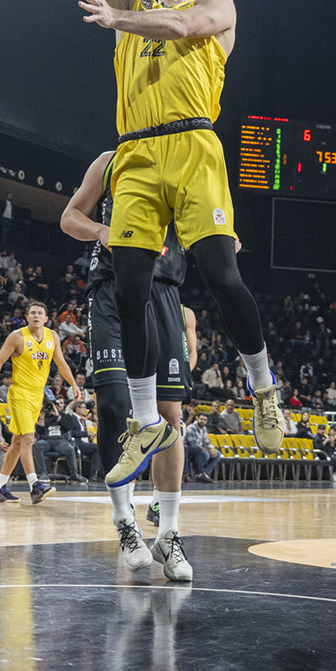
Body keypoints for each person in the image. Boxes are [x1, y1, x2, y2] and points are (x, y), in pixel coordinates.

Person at [39, 0, 285, 499]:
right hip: (136, 155)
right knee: (132, 288)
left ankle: (263, 384)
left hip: (193, 145)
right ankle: (147, 420)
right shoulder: (132, 7)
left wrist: (120, 16)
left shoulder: (217, 9)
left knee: (218, 269)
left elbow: (186, 29)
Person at [60, 149, 197, 576]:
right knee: (116, 407)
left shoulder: (188, 161)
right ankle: (125, 522)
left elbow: (219, 231)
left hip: (165, 292)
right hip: (111, 293)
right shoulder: (110, 160)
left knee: (169, 415)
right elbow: (69, 217)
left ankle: (169, 534)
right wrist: (102, 230)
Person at [0, 300, 79, 506]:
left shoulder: (52, 336)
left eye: (40, 313)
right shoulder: (16, 337)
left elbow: (61, 363)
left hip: (37, 396)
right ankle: (35, 486)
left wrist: (73, 383)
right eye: (32, 312)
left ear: (46, 318)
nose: (36, 316)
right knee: (28, 438)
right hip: (19, 394)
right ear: (27, 317)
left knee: (17, 443)